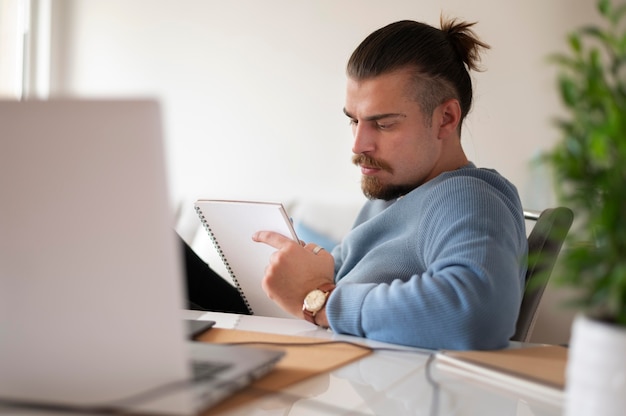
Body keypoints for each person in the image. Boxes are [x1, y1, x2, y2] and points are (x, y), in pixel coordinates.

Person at [249, 17, 528, 350]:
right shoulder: (388, 195)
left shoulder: (467, 198)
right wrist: (311, 275)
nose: (358, 144)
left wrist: (321, 300)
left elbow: (477, 314)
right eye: (354, 120)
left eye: (382, 124)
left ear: (446, 119)